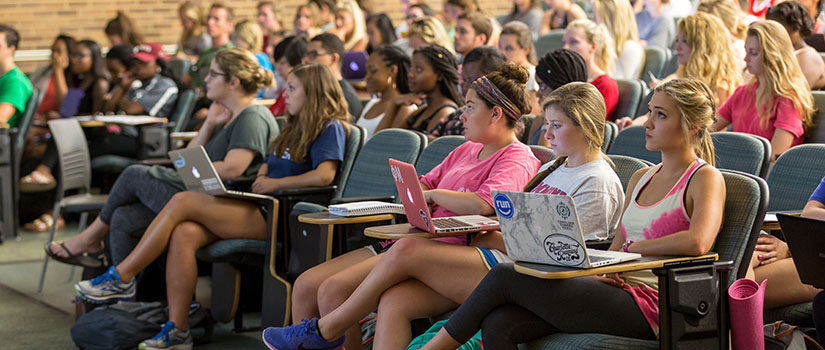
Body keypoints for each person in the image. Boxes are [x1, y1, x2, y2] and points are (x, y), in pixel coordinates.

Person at [420, 78, 725, 349]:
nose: (647, 123)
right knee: (499, 323)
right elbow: (617, 246)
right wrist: (609, 271)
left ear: (692, 126)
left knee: (505, 275)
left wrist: (636, 250)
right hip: (619, 289)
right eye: (649, 112)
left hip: (659, 301)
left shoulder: (704, 177)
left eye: (660, 115)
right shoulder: (641, 177)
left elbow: (698, 242)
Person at [263, 62, 542, 350]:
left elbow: (482, 204)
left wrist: (434, 196)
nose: (462, 113)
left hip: (457, 251)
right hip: (420, 240)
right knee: (308, 285)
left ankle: (323, 332)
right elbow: (423, 182)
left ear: (496, 113)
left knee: (334, 290)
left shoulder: (517, 157)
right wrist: (424, 194)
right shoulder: (467, 148)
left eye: (470, 107)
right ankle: (317, 334)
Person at [73, 63, 347, 349]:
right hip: (259, 202)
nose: (284, 93)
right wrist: (265, 175)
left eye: (292, 88)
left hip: (280, 213)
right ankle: (177, 330)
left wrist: (275, 184)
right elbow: (269, 161)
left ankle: (123, 276)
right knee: (184, 232)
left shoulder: (330, 127)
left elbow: (324, 175)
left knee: (182, 200)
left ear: (313, 92)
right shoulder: (292, 126)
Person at [45, 49, 277, 270]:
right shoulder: (226, 115)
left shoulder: (252, 117)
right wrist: (208, 124)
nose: (205, 80)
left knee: (135, 173)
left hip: (222, 204)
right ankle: (131, 298)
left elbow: (232, 169)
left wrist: (188, 173)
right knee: (123, 218)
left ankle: (90, 238)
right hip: (201, 192)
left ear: (233, 82)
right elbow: (186, 158)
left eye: (213, 74)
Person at [616, 13, 743, 129]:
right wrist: (632, 124)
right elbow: (650, 116)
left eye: (685, 41)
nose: (677, 47)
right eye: (677, 40)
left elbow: (708, 133)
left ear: (702, 46)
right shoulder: (676, 78)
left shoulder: (721, 87)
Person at [711, 20, 814, 162]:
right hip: (740, 168)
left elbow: (774, 157)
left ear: (772, 55)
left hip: (766, 178)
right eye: (747, 52)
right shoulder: (743, 92)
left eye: (753, 53)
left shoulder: (788, 99)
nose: (745, 59)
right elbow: (709, 128)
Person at [744, 176, 825, 310]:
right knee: (746, 260)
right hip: (813, 254)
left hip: (817, 264)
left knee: (734, 285)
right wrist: (790, 250)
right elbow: (810, 213)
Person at [387, 44, 463, 139]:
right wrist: (393, 104)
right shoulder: (421, 111)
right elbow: (386, 140)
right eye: (411, 68)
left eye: (419, 69)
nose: (410, 74)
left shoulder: (446, 112)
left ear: (439, 75)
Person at [525, 48, 588, 146]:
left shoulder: (579, 127)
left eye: (542, 86)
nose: (538, 94)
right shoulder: (539, 121)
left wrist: (548, 124)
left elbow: (548, 158)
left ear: (560, 87)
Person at [101, 43, 180, 119]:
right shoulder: (136, 82)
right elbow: (107, 109)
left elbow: (131, 109)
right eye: (136, 63)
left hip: (149, 130)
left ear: (158, 65)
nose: (138, 67)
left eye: (144, 63)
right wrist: (122, 87)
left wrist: (121, 97)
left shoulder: (165, 84)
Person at [563, 19, 618, 120]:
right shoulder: (566, 80)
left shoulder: (605, 85)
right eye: (565, 42)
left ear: (593, 46)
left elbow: (589, 124)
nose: (566, 48)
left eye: (574, 42)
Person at [766, 1, 825, 90]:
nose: (771, 33)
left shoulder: (808, 56)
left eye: (777, 28)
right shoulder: (780, 52)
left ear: (795, 28)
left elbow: (793, 93)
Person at [360, 45, 415, 138]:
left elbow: (382, 144)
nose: (367, 77)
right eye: (367, 72)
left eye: (373, 71)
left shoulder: (405, 108)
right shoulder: (371, 104)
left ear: (392, 70)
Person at [304, 33, 363, 119]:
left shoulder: (344, 97)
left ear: (334, 58)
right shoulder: (318, 90)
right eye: (306, 55)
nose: (306, 60)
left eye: (313, 54)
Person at [184, 2, 235, 91]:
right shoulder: (206, 52)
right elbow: (187, 79)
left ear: (229, 25)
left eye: (216, 19)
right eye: (209, 18)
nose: (209, 22)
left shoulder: (230, 54)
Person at [594, 0, 643, 80]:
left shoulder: (630, 48)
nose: (593, 22)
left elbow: (615, 84)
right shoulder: (608, 46)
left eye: (596, 17)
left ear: (609, 21)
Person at [498, 21, 539, 114]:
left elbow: (532, 115)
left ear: (525, 50)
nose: (502, 53)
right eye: (500, 47)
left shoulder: (532, 76)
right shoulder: (500, 73)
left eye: (509, 48)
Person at [697, 0, 748, 73]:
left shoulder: (738, 50)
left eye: (707, 26)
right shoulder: (705, 48)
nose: (702, 32)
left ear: (726, 24)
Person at [66, 40, 110, 116]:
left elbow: (95, 118)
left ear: (94, 57)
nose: (74, 60)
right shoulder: (77, 80)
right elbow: (67, 110)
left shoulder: (100, 83)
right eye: (73, 55)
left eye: (79, 56)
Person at [270, 36, 308, 117]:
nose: (278, 68)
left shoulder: (299, 98)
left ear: (300, 63)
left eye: (282, 63)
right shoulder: (285, 92)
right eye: (277, 63)